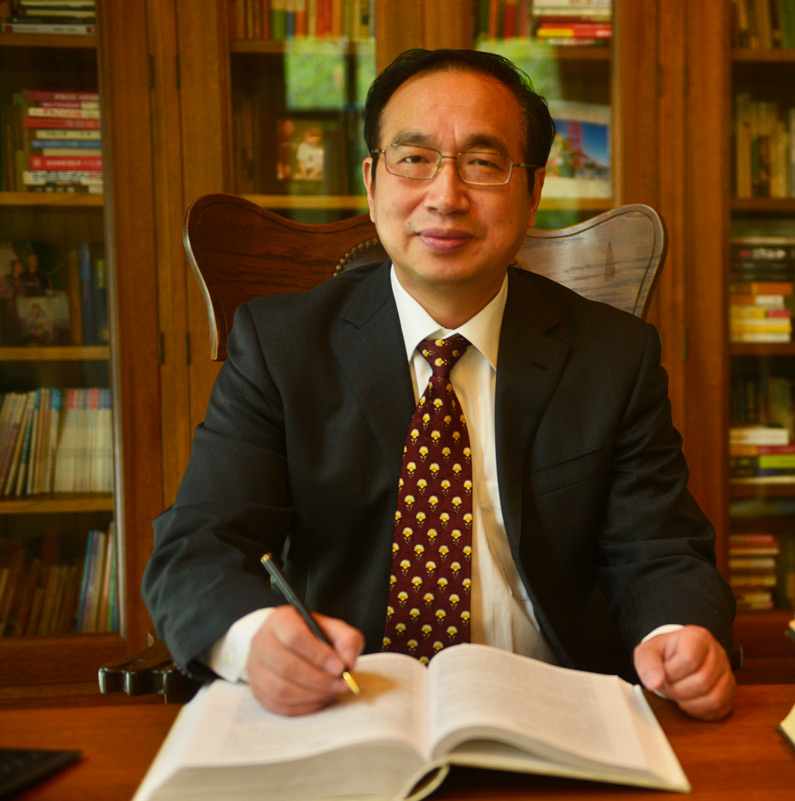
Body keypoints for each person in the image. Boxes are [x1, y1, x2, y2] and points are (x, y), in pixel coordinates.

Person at [143, 48, 736, 722]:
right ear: (371, 183)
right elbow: (195, 550)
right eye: (414, 158)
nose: (446, 196)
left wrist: (677, 638)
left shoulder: (613, 355)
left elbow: (658, 549)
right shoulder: (281, 347)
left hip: (554, 714)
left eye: (483, 163)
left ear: (533, 191)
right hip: (344, 708)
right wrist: (252, 643)